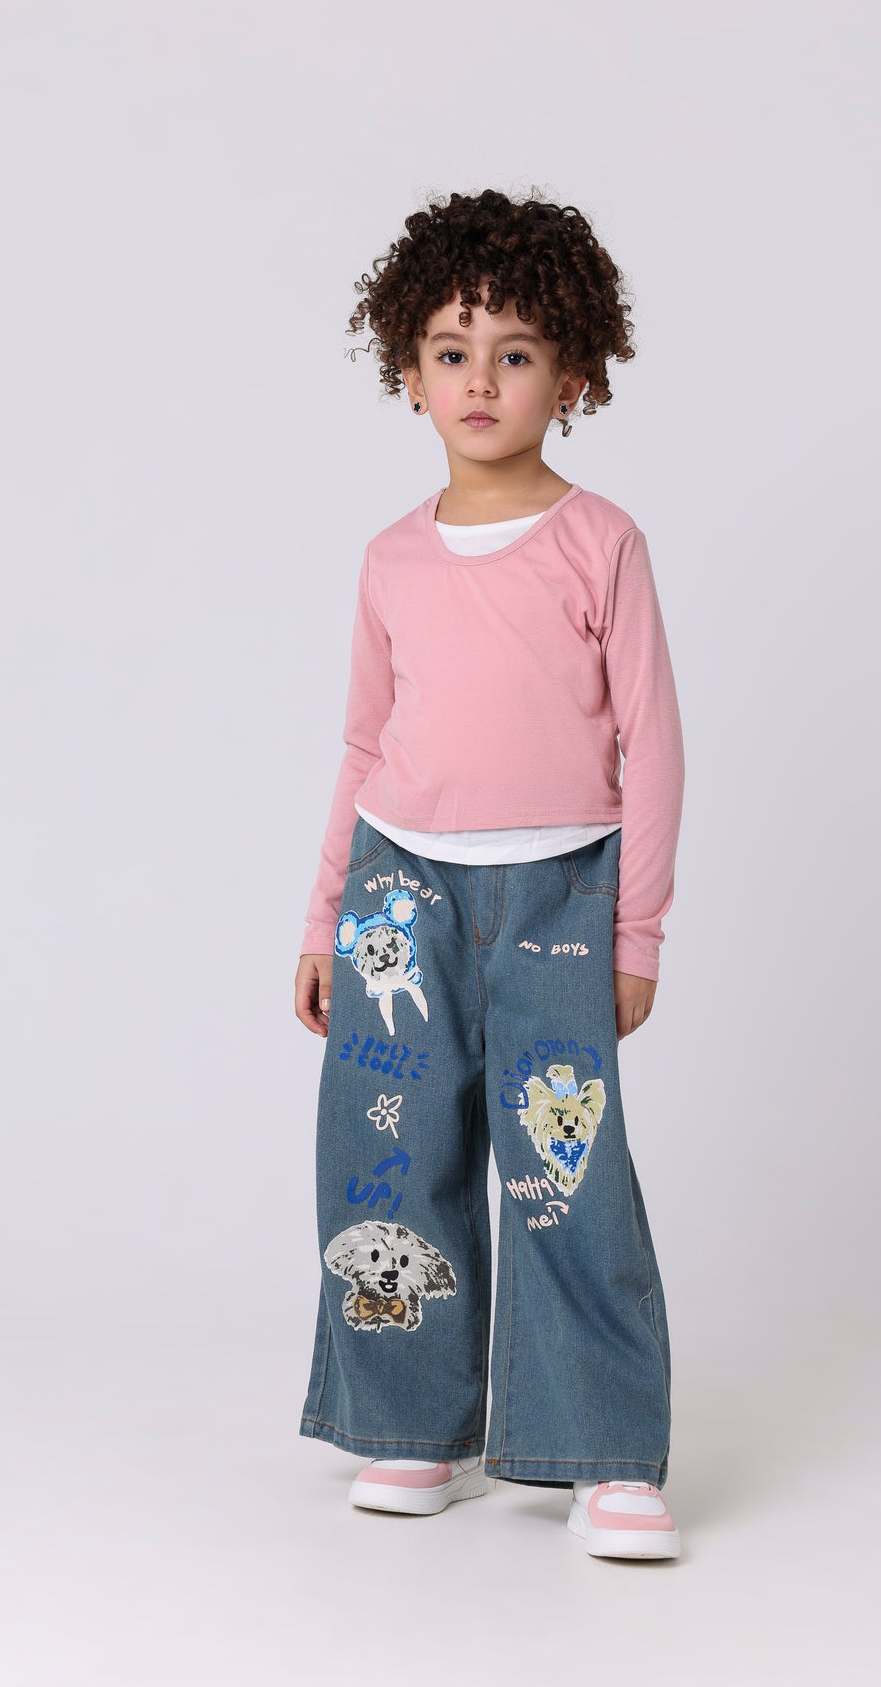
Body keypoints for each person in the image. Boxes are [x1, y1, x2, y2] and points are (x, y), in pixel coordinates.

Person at [294, 187, 685, 1561]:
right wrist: (324, 917)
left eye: (514, 353)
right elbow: (364, 745)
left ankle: (603, 1450)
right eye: (451, 352)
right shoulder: (391, 559)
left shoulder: (600, 542)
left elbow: (652, 742)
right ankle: (414, 1427)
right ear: (408, 372)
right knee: (391, 1158)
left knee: (563, 1173)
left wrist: (636, 932)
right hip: (399, 896)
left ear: (570, 375)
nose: (480, 380)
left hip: (561, 896)